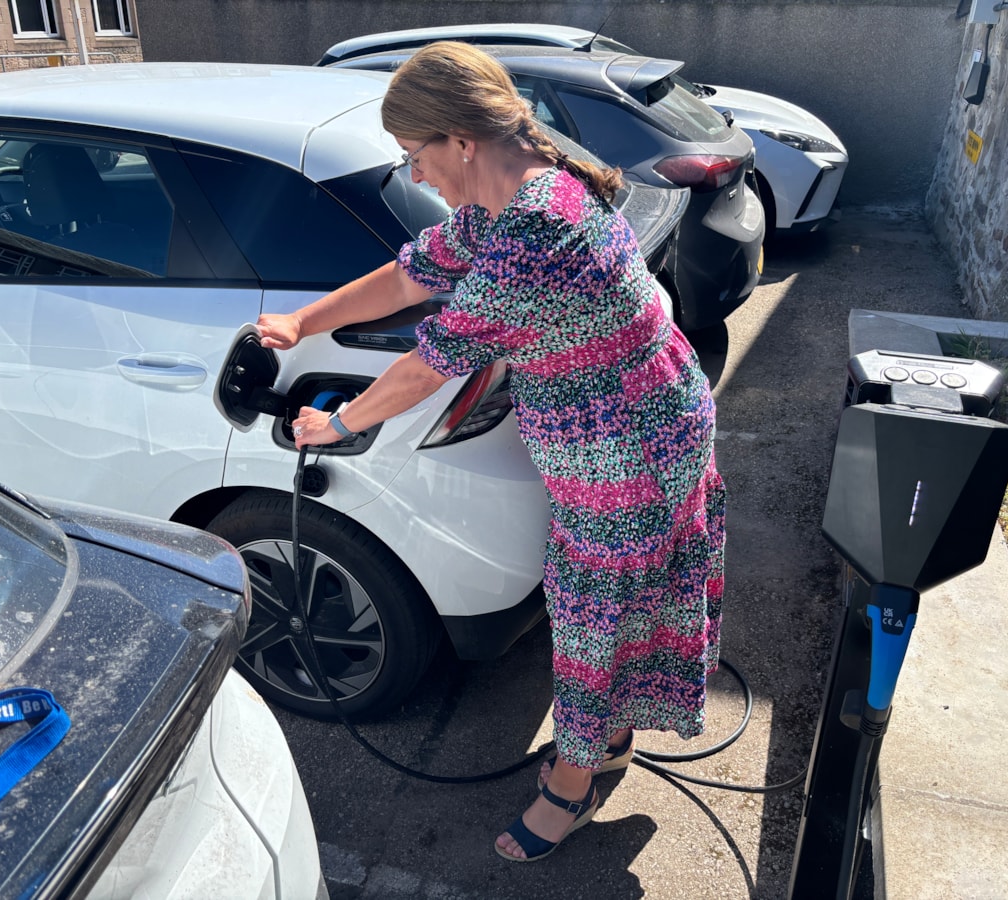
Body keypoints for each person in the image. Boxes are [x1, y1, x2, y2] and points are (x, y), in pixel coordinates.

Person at [256, 41, 726, 864]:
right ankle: (606, 738)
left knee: (593, 619)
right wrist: (305, 321)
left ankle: (571, 789)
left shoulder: (539, 228)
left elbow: (429, 361)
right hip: (635, 425)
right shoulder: (517, 193)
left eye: (416, 158)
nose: (420, 178)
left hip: (631, 452)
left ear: (460, 142)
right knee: (613, 608)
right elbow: (411, 275)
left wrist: (338, 426)